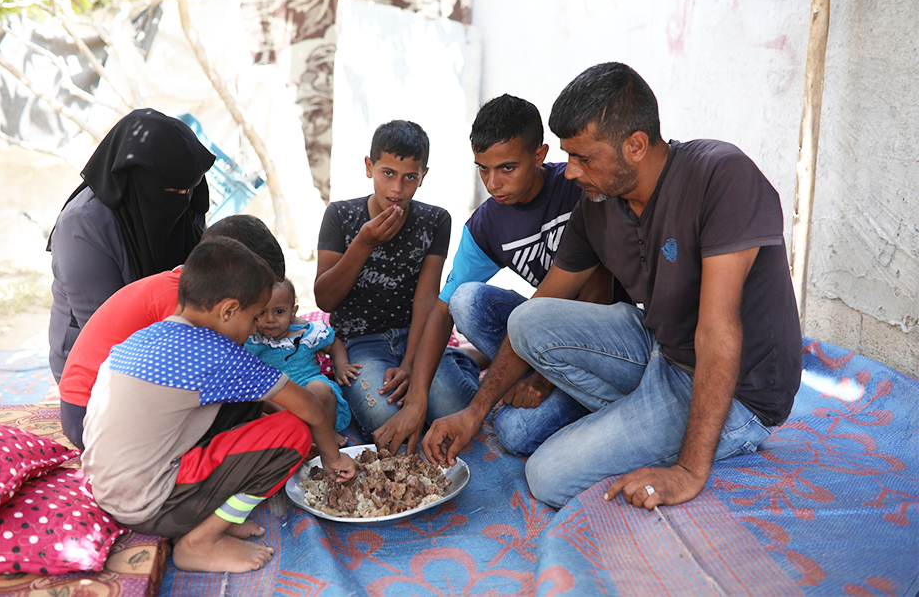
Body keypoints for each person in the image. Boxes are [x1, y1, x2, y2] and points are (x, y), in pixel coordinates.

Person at [424, 62, 802, 512]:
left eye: (584, 158)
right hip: (658, 348)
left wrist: (688, 470)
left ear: (636, 145)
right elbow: (545, 304)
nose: (570, 172)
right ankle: (625, 418)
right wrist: (473, 411)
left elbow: (718, 331)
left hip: (735, 390)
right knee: (527, 319)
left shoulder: (721, 175)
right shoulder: (599, 206)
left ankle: (672, 431)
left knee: (546, 476)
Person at [82, 237, 355, 574]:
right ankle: (200, 541)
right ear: (228, 311)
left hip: (109, 490)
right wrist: (333, 457)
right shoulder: (217, 353)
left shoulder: (145, 335)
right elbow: (311, 408)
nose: (257, 327)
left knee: (249, 401)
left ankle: (216, 515)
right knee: (293, 433)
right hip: (152, 505)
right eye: (254, 317)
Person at [374, 94, 616, 456]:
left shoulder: (576, 188)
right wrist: (416, 403)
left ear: (539, 155)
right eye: (482, 169)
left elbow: (599, 293)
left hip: (605, 336)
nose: (493, 182)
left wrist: (541, 379)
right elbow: (442, 311)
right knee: (466, 301)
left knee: (516, 433)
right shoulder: (487, 224)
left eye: (506, 168)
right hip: (544, 332)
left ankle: (601, 401)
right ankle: (496, 367)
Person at [314, 120, 482, 439]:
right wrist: (363, 243)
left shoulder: (434, 220)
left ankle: (459, 359)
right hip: (359, 340)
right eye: (388, 173)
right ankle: (458, 360)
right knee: (384, 417)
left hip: (414, 336)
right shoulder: (340, 215)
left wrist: (409, 363)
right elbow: (325, 299)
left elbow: (426, 297)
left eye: (410, 178)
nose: (397, 189)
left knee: (453, 408)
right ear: (369, 167)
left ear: (423, 176)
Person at [58, 215, 285, 450]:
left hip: (88, 410)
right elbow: (230, 378)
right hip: (89, 416)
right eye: (258, 306)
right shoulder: (182, 305)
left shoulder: (189, 291)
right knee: (239, 407)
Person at [48, 108, 216, 384]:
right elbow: (105, 329)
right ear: (132, 179)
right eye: (169, 191)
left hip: (179, 344)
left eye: (186, 190)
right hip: (98, 368)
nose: (180, 200)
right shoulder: (82, 225)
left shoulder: (186, 194)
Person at [245, 278, 358, 446]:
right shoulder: (254, 340)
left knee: (319, 389)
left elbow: (334, 344)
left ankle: (329, 433)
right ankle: (301, 438)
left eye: (279, 312)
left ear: (293, 311)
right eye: (262, 313)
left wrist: (342, 365)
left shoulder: (308, 333)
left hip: (309, 384)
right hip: (278, 391)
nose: (270, 319)